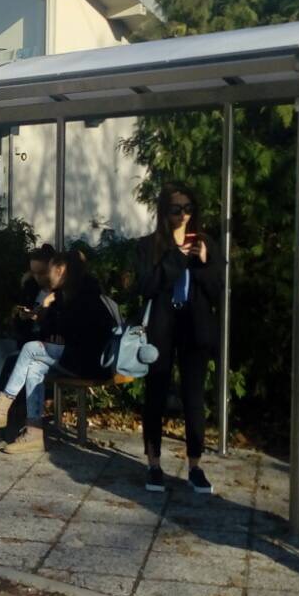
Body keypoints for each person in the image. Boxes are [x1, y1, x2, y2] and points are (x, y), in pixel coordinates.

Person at [0, 250, 112, 454]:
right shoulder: (61, 295)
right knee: (34, 367)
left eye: (48, 271)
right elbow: (51, 332)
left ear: (61, 270)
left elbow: (83, 334)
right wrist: (45, 312)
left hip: (89, 362)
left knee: (30, 349)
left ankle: (1, 407)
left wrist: (53, 322)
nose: (44, 277)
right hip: (70, 357)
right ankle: (34, 433)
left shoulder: (87, 295)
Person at [131, 183, 223, 494]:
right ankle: (154, 463)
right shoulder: (150, 246)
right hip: (162, 326)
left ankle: (195, 465)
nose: (183, 215)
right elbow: (146, 286)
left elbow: (217, 288)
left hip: (194, 327)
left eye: (188, 208)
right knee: (155, 393)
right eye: (175, 209)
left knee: (194, 396)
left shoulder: (206, 242)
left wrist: (203, 262)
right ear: (163, 212)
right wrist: (176, 259)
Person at [0, 244, 56, 418]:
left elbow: (59, 327)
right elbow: (19, 325)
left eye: (42, 273)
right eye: (34, 273)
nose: (38, 278)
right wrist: (21, 316)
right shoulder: (31, 287)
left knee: (12, 361)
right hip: (25, 339)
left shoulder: (60, 294)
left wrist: (42, 316)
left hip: (44, 344)